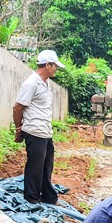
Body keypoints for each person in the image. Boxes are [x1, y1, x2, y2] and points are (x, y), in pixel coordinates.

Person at [12, 49, 65, 205]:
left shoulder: (45, 83)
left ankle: (48, 197)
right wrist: (18, 129)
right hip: (34, 131)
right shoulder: (31, 83)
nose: (56, 69)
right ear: (47, 65)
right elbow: (17, 107)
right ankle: (32, 199)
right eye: (55, 65)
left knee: (46, 166)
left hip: (45, 131)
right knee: (35, 167)